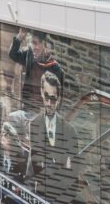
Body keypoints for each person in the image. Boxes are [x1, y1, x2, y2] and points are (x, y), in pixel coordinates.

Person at [28, 71, 78, 204]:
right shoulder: (34, 124)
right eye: (46, 97)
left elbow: (73, 173)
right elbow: (35, 162)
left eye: (53, 98)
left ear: (59, 99)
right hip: (40, 195)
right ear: (41, 92)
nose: (49, 103)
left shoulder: (69, 131)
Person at [9, 27, 63, 113]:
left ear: (44, 44)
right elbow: (13, 54)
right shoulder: (30, 55)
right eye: (32, 43)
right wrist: (20, 36)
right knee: (12, 117)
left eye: (35, 43)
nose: (34, 47)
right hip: (27, 108)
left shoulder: (56, 69)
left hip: (44, 113)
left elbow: (59, 98)